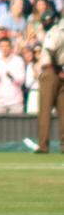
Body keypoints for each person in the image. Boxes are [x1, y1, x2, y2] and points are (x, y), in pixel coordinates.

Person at [36, 18, 64, 153]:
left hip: (52, 71)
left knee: (45, 111)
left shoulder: (56, 31)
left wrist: (58, 69)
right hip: (62, 72)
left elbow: (50, 49)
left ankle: (43, 146)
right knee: (63, 112)